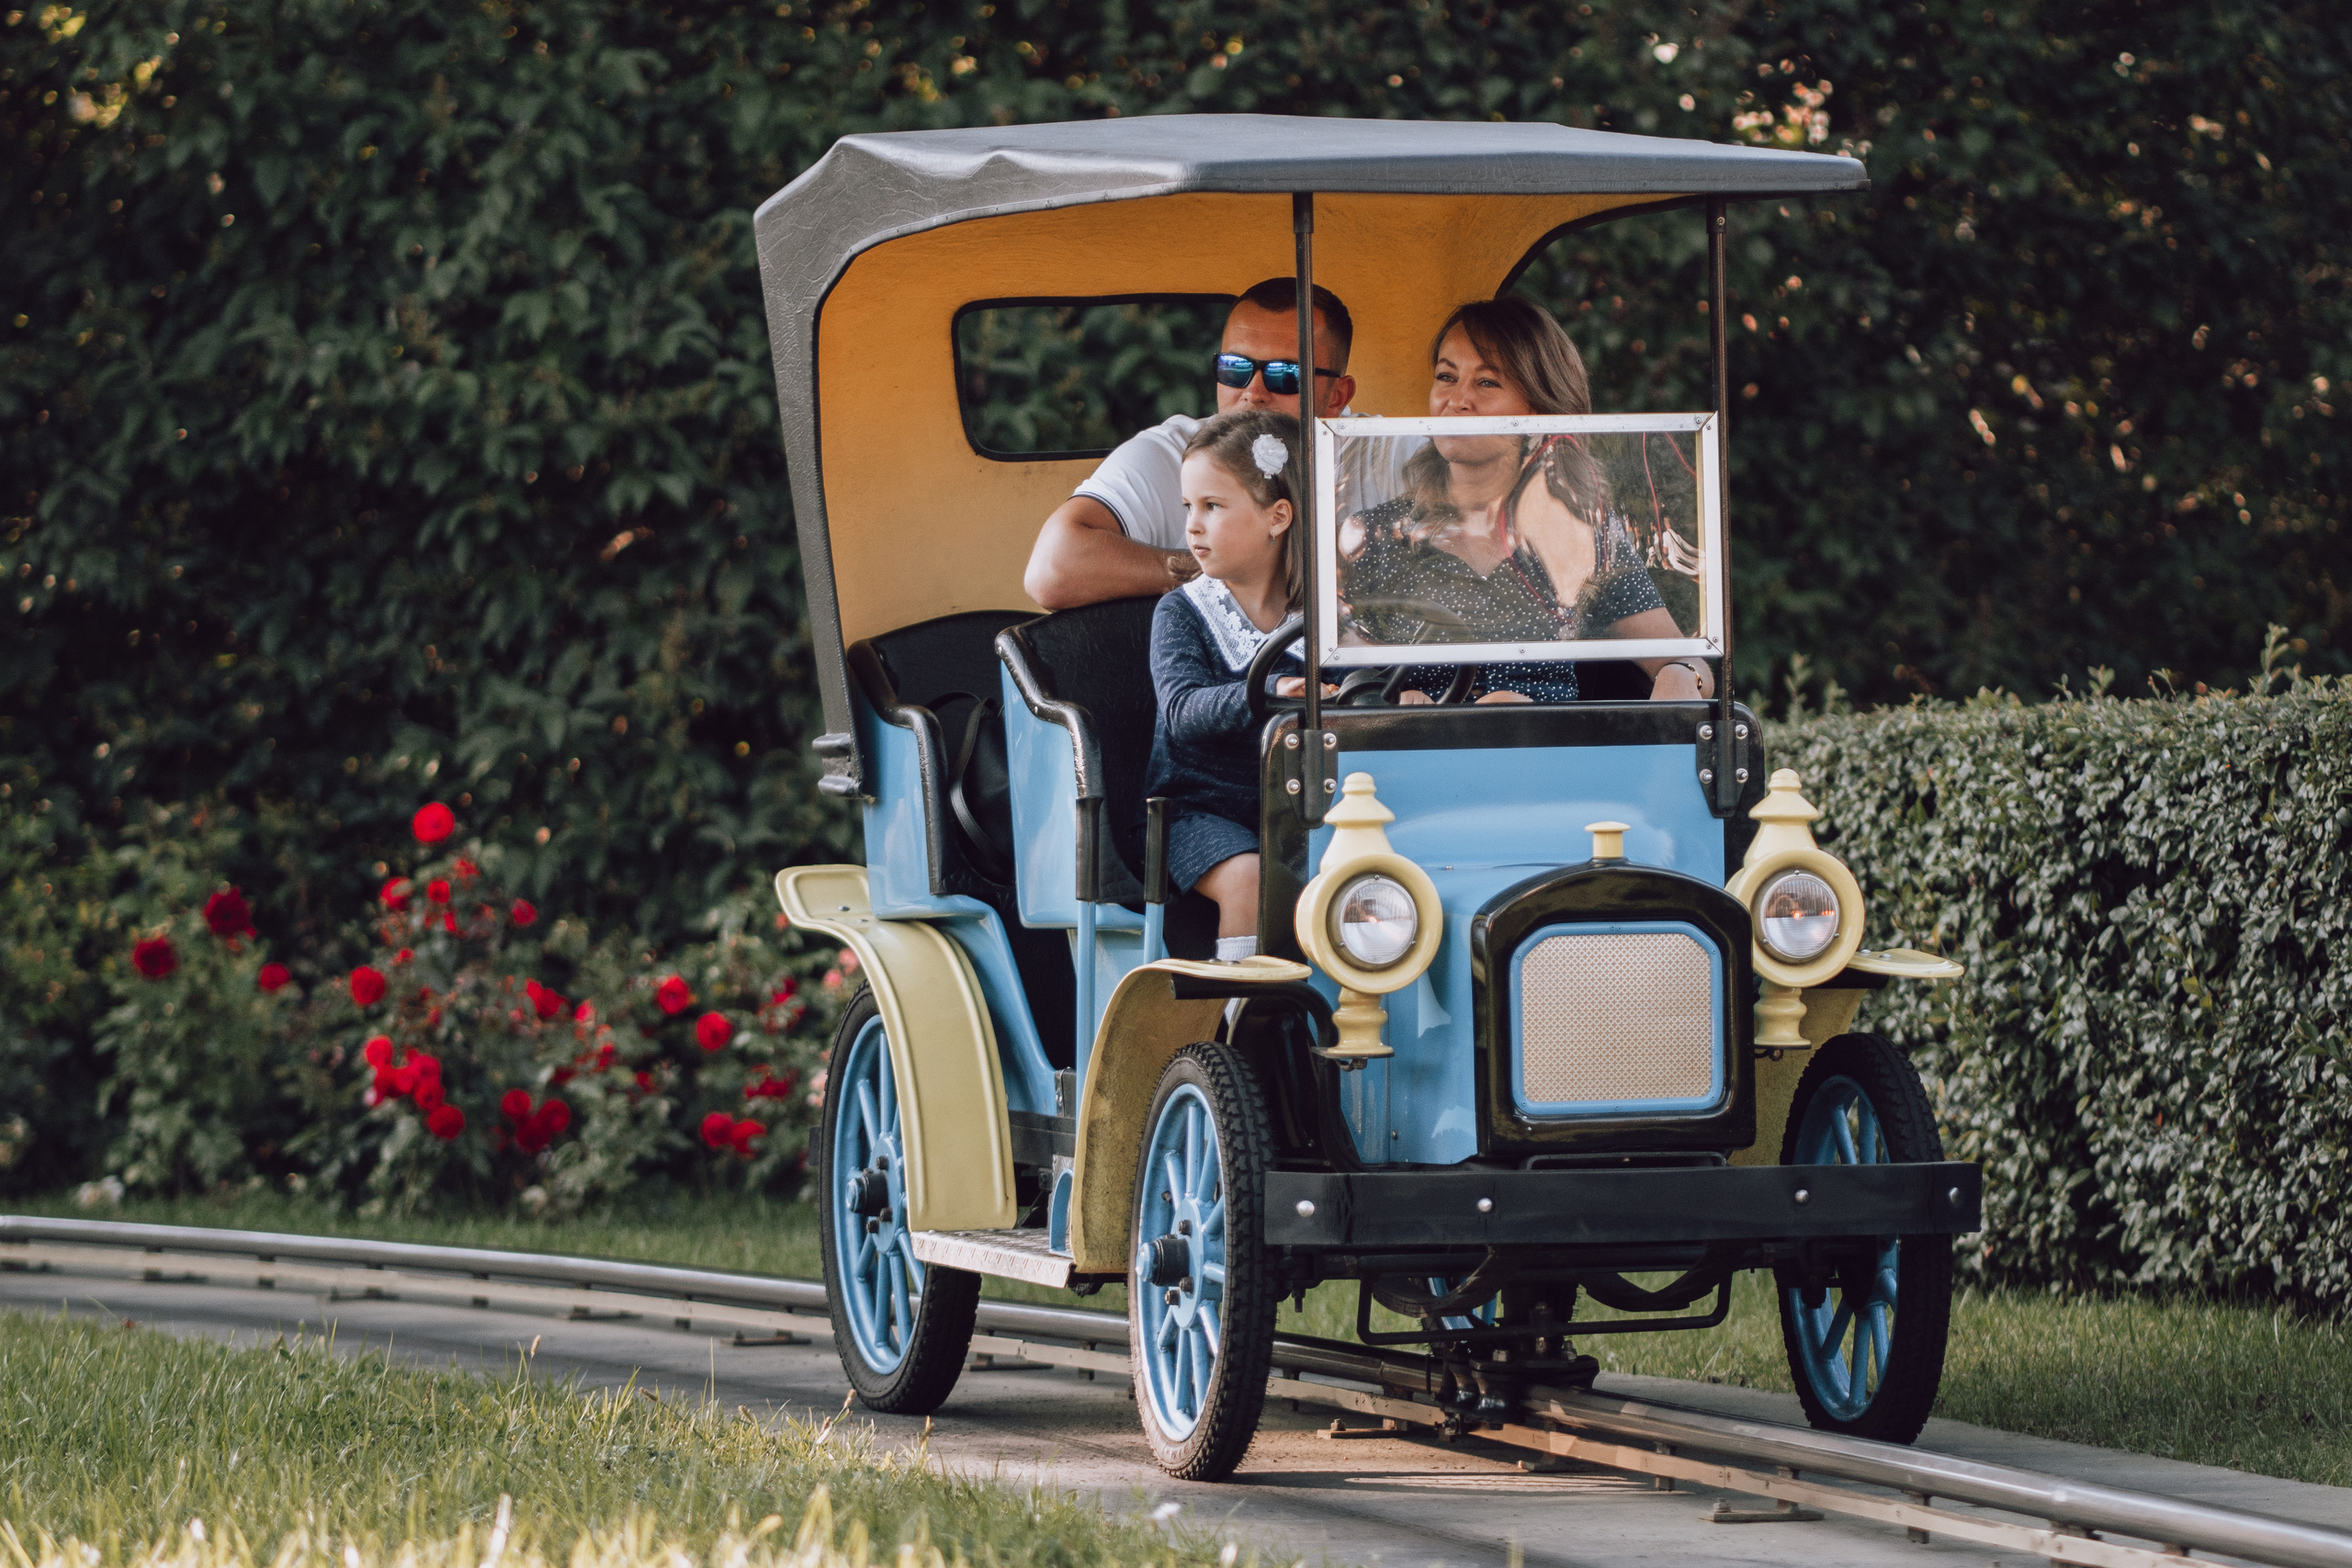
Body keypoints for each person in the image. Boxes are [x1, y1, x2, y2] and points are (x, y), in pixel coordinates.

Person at [1338, 298, 1712, 705]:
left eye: (1487, 382)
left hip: (1552, 757)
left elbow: (1686, 661)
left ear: (1538, 405)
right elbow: (1348, 687)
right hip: (1420, 758)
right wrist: (1401, 706)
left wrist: (1681, 675)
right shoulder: (1378, 534)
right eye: (1446, 376)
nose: (1457, 399)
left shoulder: (1585, 535)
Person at [1025, 279, 1387, 611]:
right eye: (1235, 368)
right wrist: (1225, 571)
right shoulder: (1172, 454)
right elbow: (1051, 571)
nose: (1252, 393)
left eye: (1284, 374)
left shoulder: (1381, 451)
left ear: (1338, 396)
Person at [1144, 410, 1323, 962]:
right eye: (1188, 508)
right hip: (1199, 812)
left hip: (1302, 806)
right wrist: (1263, 694)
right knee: (1248, 875)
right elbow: (1182, 710)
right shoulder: (1182, 612)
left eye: (1212, 507)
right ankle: (1243, 1023)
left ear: (1278, 517)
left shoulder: (1321, 619)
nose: (1192, 526)